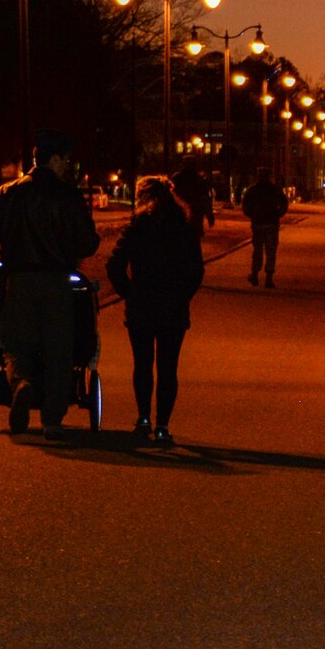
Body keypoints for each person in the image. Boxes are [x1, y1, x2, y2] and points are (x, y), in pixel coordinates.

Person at [0, 129, 100, 439]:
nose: (68, 165)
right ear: (53, 159)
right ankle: (52, 420)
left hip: (19, 279)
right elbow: (87, 242)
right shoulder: (69, 196)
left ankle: (23, 383)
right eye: (65, 159)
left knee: (16, 343)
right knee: (59, 349)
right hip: (57, 281)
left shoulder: (10, 192)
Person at [104, 175, 204, 446]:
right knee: (168, 367)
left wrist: (128, 291)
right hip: (173, 303)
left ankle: (143, 418)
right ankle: (163, 425)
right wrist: (184, 294)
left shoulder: (139, 225)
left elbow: (114, 263)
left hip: (143, 303)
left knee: (143, 364)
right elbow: (196, 269)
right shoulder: (183, 226)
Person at [240, 169, 289, 288]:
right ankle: (269, 277)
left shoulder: (253, 190)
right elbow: (284, 204)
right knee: (271, 250)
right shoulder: (275, 189)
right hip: (271, 223)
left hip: (258, 223)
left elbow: (245, 205)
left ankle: (255, 274)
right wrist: (278, 214)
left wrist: (252, 214)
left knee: (258, 249)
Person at [170, 155, 216, 236]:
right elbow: (205, 199)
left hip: (180, 213)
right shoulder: (199, 180)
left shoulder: (177, 178)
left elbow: (171, 196)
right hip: (195, 213)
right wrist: (209, 215)